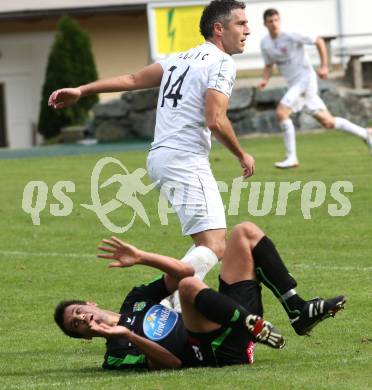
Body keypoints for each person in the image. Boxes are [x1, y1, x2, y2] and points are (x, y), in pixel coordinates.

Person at [48, 0, 256, 310]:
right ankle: (156, 311)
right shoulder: (222, 63)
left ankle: (164, 309)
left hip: (162, 158)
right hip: (184, 158)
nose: (247, 30)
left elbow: (132, 80)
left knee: (207, 244)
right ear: (219, 28)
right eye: (240, 23)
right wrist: (242, 154)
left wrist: (82, 89)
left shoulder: (179, 58)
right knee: (214, 246)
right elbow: (216, 119)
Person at [54, 222, 345, 370]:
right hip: (214, 352)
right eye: (77, 325)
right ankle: (252, 326)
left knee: (245, 232)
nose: (83, 318)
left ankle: (297, 310)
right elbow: (172, 364)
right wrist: (129, 336)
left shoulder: (135, 301)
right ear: (86, 337)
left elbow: (184, 269)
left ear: (89, 303)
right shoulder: (116, 355)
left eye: (79, 311)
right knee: (189, 287)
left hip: (227, 321)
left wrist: (141, 256)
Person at [258, 8, 372, 169]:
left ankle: (291, 157)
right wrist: (264, 79)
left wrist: (324, 66)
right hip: (295, 85)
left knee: (281, 112)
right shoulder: (265, 43)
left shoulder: (290, 35)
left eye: (276, 20)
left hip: (305, 80)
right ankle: (365, 133)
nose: (274, 24)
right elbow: (269, 65)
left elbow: (318, 41)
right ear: (265, 24)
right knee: (328, 122)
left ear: (280, 20)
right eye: (270, 21)